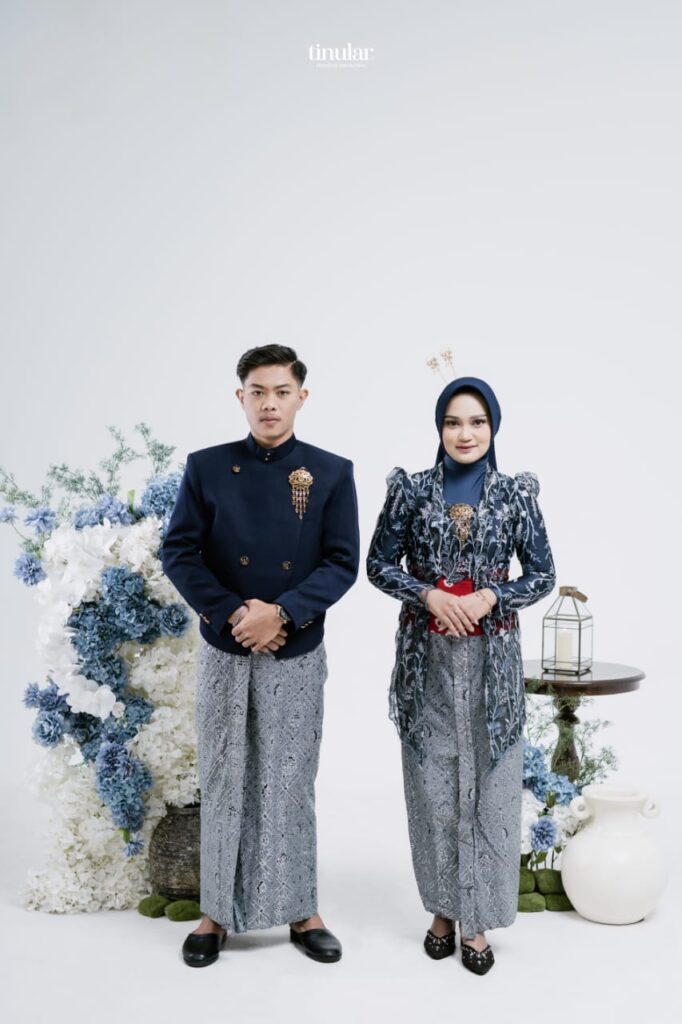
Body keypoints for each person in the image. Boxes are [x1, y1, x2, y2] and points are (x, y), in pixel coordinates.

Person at [161, 344, 359, 967]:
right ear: (240, 397)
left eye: (281, 391)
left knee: (291, 778)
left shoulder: (331, 472)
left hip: (295, 646)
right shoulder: (207, 467)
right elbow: (179, 552)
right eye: (257, 391)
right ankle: (216, 912)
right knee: (224, 776)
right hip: (227, 644)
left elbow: (342, 563)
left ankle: (302, 909)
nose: (269, 403)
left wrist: (283, 613)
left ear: (302, 397)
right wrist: (235, 613)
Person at [366, 375, 556, 975]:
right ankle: (442, 911)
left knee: (491, 791)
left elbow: (543, 575)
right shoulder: (412, 491)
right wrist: (427, 593)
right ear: (439, 429)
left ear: (492, 427)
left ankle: (477, 920)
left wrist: (490, 597)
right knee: (434, 790)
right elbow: (378, 564)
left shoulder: (515, 494)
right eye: (453, 422)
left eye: (477, 422)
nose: (465, 433)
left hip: (492, 662)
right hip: (425, 659)